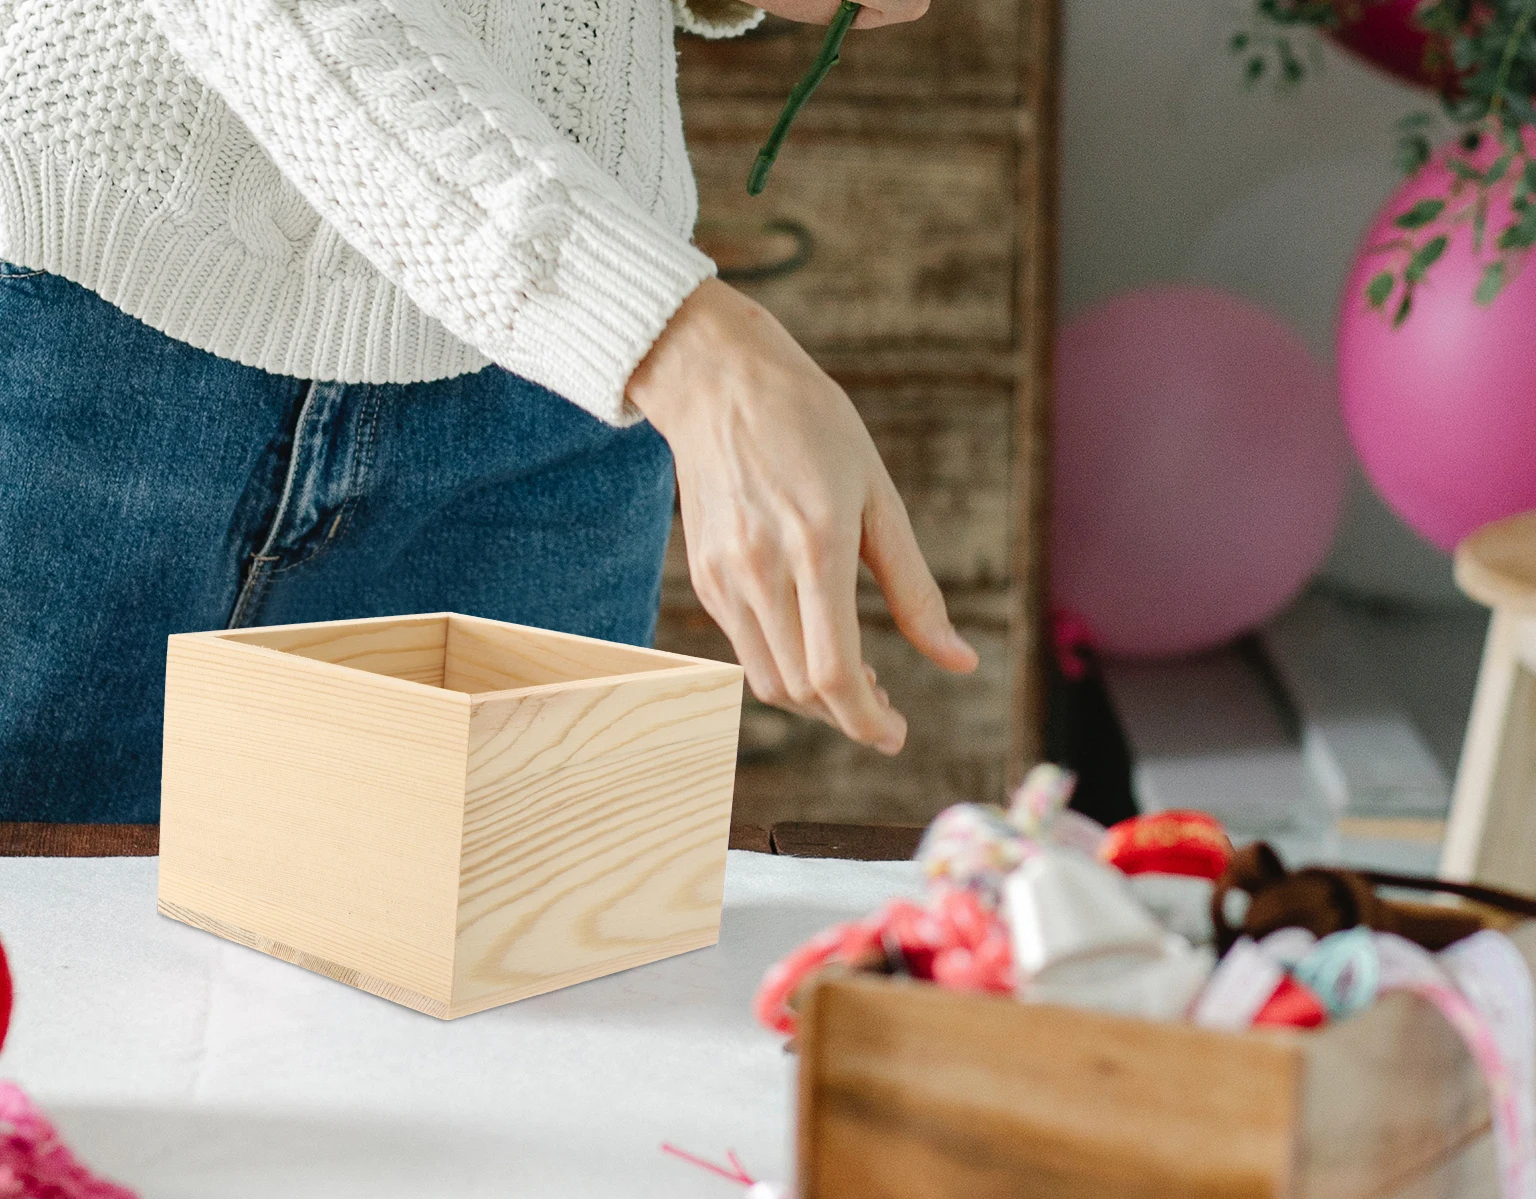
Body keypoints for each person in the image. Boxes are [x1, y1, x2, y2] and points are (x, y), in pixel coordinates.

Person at [0, 0, 976, 824]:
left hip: (541, 392)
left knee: (518, 1012)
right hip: (95, 331)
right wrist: (677, 339)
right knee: (60, 1007)